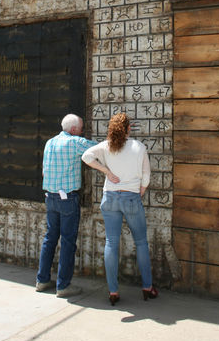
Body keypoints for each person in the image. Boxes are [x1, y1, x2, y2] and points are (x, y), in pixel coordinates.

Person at [82, 112, 158, 305]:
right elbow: (146, 176)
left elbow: (86, 156)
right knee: (141, 242)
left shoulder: (106, 146)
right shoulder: (138, 147)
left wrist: (106, 171)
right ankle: (147, 287)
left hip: (110, 197)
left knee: (111, 243)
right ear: (129, 128)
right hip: (131, 196)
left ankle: (113, 291)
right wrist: (140, 191)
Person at [36, 113, 97, 298]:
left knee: (50, 239)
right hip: (67, 199)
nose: (82, 131)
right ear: (73, 130)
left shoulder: (50, 143)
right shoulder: (74, 142)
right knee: (68, 242)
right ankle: (63, 285)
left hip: (50, 197)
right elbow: (98, 148)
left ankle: (42, 280)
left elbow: (45, 172)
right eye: (81, 128)